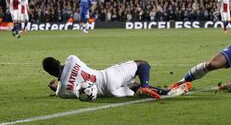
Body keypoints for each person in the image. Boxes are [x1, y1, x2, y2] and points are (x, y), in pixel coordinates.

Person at [42, 55, 192, 99]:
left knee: (133, 86)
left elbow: (68, 88)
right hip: (108, 77)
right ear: (57, 61)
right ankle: (146, 86)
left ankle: (167, 92)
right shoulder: (71, 60)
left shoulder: (61, 93)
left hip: (109, 93)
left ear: (49, 74)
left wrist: (57, 87)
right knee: (142, 64)